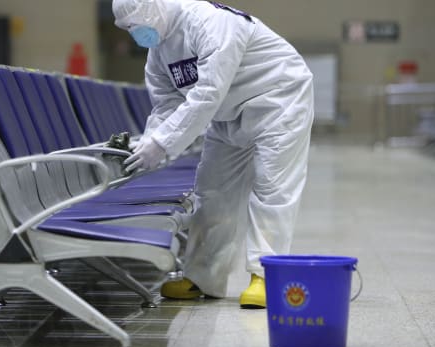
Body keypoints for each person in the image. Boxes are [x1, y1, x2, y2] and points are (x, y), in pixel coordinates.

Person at [113, 0, 314, 309]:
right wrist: (150, 141)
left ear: (155, 7)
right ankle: (202, 277)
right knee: (213, 191)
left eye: (136, 22)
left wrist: (164, 143)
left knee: (272, 188)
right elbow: (166, 105)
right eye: (127, 27)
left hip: (278, 99)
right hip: (227, 115)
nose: (135, 32)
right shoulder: (159, 52)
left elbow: (208, 91)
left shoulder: (209, 22)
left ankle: (265, 275)